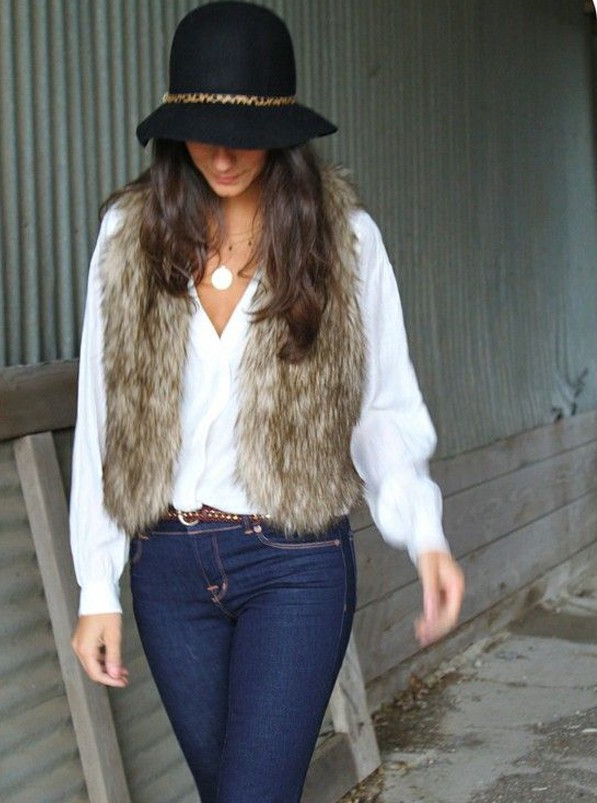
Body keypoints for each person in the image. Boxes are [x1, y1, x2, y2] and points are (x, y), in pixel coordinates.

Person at [70, 3, 465, 802]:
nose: (222, 155)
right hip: (167, 569)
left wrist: (423, 533)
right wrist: (96, 586)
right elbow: (100, 423)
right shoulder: (127, 236)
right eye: (203, 130)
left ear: (283, 129)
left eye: (245, 133)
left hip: (293, 563)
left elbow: (381, 410)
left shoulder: (344, 241)